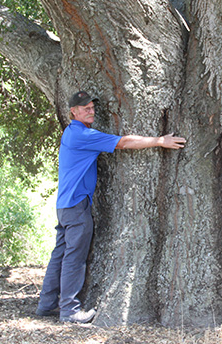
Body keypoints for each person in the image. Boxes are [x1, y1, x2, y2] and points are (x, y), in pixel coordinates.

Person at [36, 91, 186, 324]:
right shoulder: (82, 135)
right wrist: (159, 141)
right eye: (84, 107)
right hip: (76, 206)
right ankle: (69, 310)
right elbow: (123, 142)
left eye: (92, 107)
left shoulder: (71, 133)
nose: (91, 110)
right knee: (74, 257)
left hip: (65, 205)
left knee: (61, 254)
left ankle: (46, 304)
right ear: (73, 112)